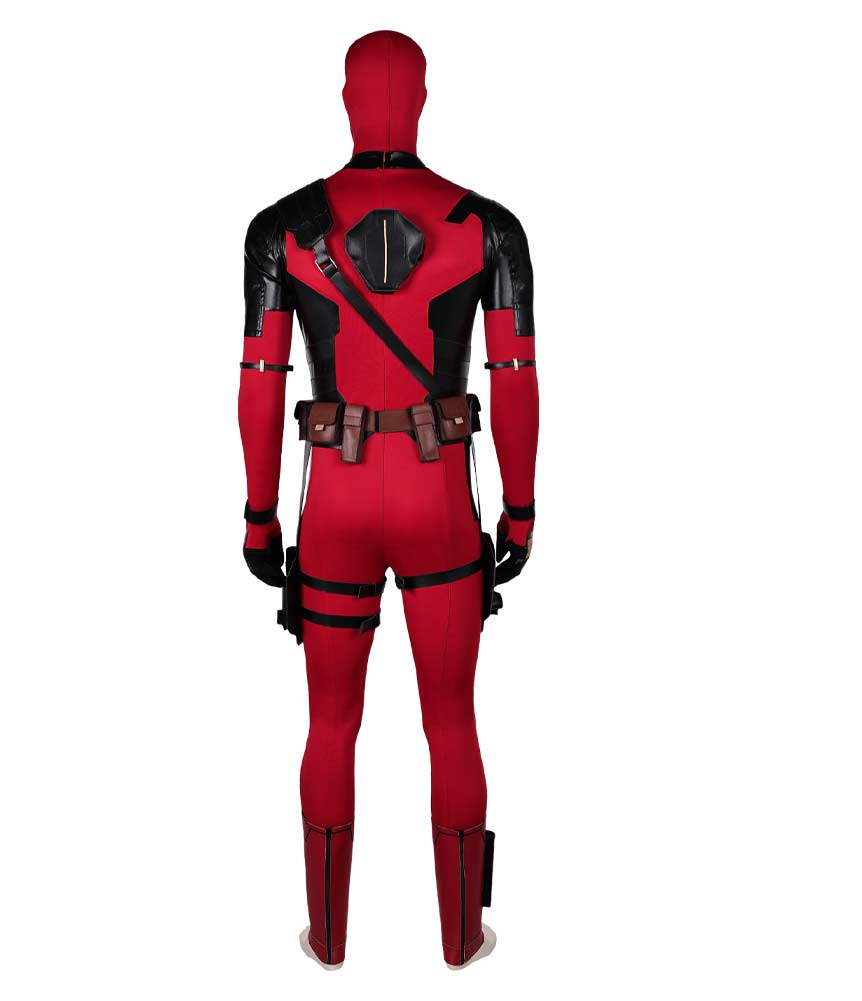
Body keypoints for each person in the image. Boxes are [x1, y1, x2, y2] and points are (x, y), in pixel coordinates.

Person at [238, 30, 538, 969]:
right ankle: (461, 940)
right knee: (452, 722)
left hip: (332, 502)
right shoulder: (489, 227)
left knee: (330, 724)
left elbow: (259, 384)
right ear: (421, 99)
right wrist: (520, 509)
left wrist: (258, 515)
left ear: (345, 99)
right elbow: (515, 379)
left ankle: (327, 942)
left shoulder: (279, 229)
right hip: (438, 498)